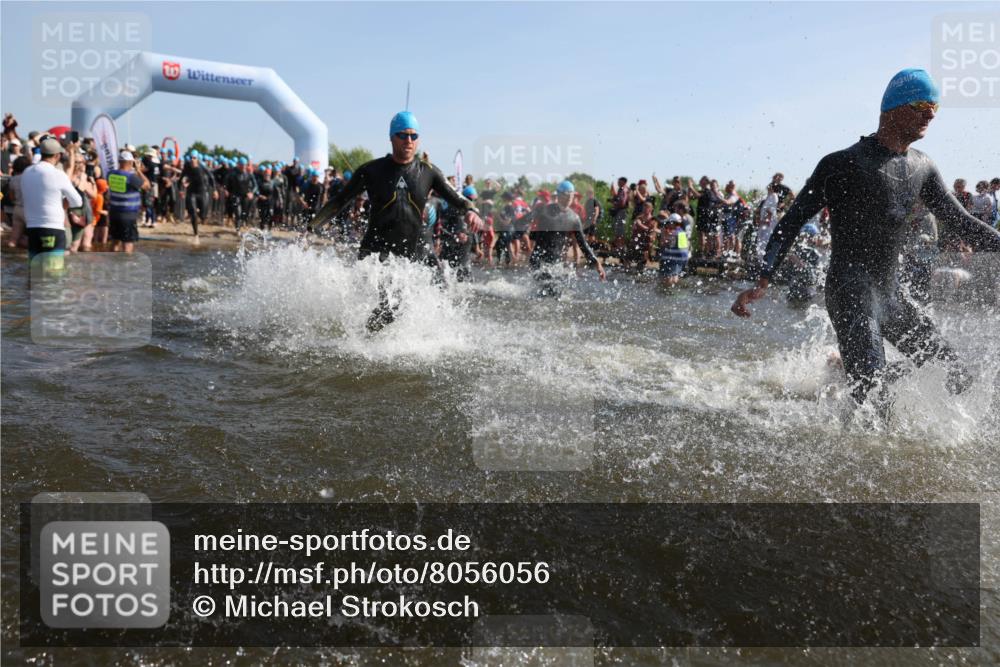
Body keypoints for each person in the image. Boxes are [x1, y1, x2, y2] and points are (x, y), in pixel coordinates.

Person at [732, 68, 1000, 418]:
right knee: (875, 402)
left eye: (935, 107)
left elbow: (963, 222)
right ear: (892, 109)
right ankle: (857, 379)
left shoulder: (923, 167)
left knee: (955, 375)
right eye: (921, 105)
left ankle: (843, 372)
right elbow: (791, 221)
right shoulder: (842, 164)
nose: (930, 114)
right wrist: (763, 278)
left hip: (891, 297)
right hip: (850, 291)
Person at [309, 111, 482, 332]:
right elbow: (340, 200)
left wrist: (470, 210)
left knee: (428, 296)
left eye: (413, 136)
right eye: (402, 135)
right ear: (392, 137)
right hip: (376, 251)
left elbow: (456, 197)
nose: (408, 140)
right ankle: (362, 339)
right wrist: (312, 226)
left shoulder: (428, 172)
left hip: (410, 252)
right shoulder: (371, 170)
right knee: (391, 306)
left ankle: (380, 338)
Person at [521, 180, 605, 296]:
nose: (569, 197)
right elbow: (523, 220)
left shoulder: (574, 218)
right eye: (566, 194)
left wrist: (596, 263)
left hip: (557, 263)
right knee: (550, 290)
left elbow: (583, 244)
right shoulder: (544, 210)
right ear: (559, 195)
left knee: (557, 293)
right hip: (539, 260)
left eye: (571, 194)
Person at [19, 138, 82, 268]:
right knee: (53, 271)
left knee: (35, 270)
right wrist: (64, 202)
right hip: (53, 227)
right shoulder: (58, 174)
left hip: (32, 228)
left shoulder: (26, 172)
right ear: (57, 155)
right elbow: (77, 201)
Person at [106, 150, 149, 253]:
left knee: (115, 241)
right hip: (128, 215)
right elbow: (147, 186)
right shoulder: (131, 177)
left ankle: (112, 261)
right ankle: (126, 262)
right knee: (127, 243)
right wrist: (139, 171)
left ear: (119, 161)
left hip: (114, 213)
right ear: (131, 162)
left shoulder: (110, 174)